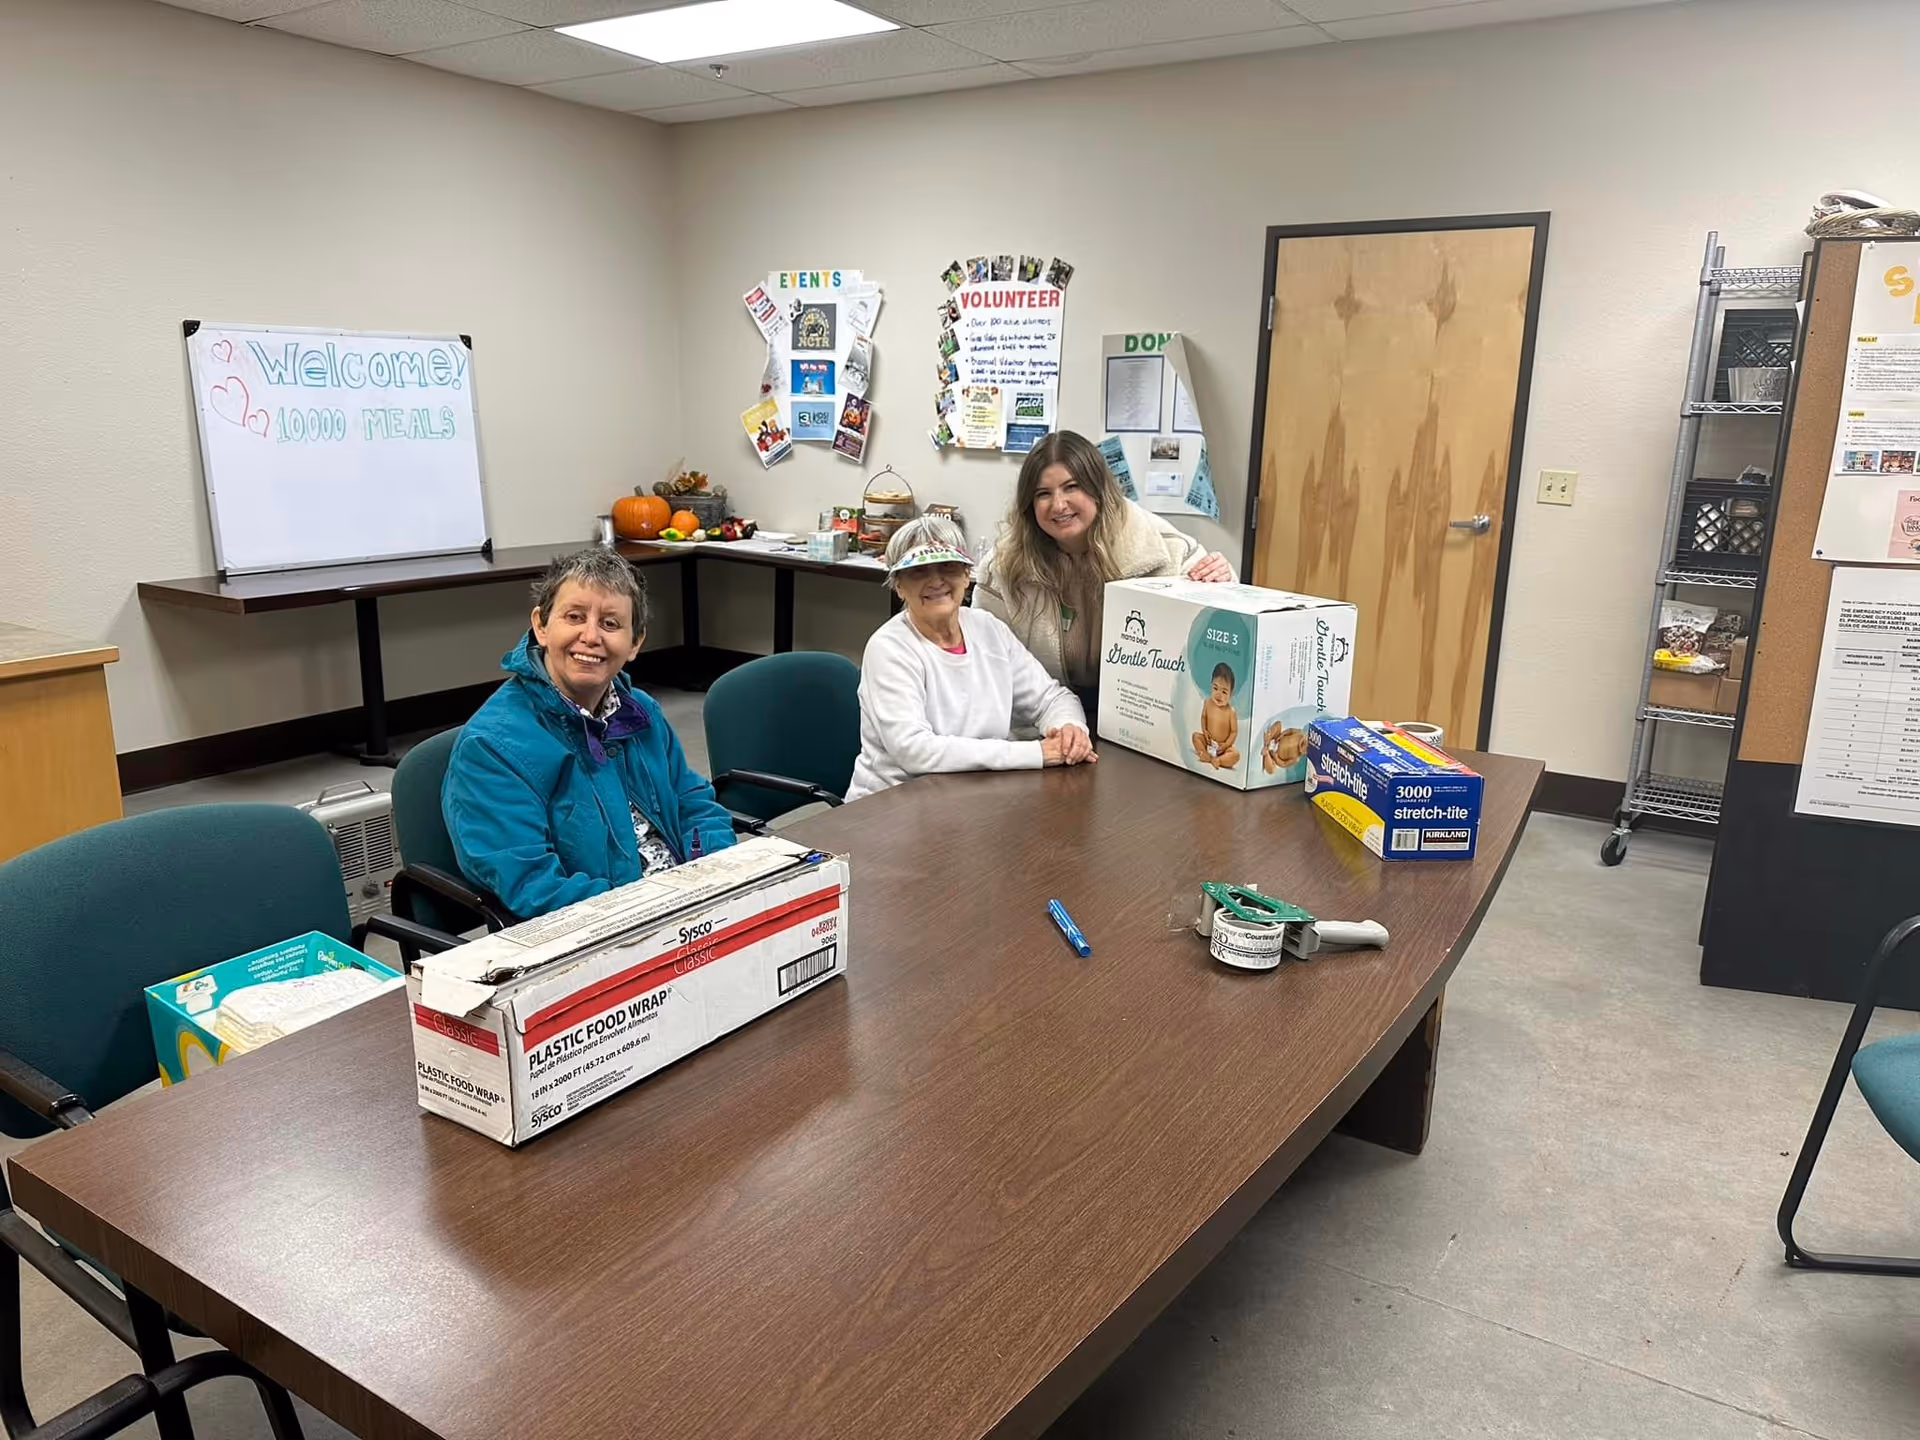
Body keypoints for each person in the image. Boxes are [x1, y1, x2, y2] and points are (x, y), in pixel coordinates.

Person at [443, 546, 735, 920]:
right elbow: (534, 886)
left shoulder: (641, 711)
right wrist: (647, 911)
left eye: (611, 624)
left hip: (687, 910)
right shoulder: (491, 747)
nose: (591, 636)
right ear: (541, 626)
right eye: (574, 616)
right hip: (601, 932)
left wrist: (720, 876)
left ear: (635, 643)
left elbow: (693, 802)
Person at [974, 430, 1236, 714]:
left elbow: (1223, 623)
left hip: (1138, 716)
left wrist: (1223, 581)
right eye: (1043, 494)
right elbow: (984, 661)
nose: (1059, 504)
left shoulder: (1163, 551)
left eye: (1071, 487)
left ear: (1098, 489)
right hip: (1042, 717)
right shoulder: (1003, 568)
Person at [847, 516, 1095, 800]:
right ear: (898, 585)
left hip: (974, 798)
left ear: (967, 574)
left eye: (948, 566)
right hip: (891, 808)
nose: (936, 580)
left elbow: (1052, 698)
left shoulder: (987, 628)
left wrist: (1069, 731)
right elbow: (915, 752)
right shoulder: (889, 648)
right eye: (918, 571)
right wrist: (1036, 752)